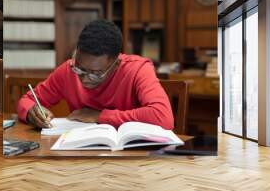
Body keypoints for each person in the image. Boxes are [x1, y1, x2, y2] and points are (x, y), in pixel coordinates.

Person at [17, 19, 174, 130]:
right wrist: (32, 112)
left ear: (116, 63)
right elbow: (27, 100)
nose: (84, 78)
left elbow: (162, 117)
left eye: (95, 74)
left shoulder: (138, 69)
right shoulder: (67, 70)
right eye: (79, 68)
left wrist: (100, 116)